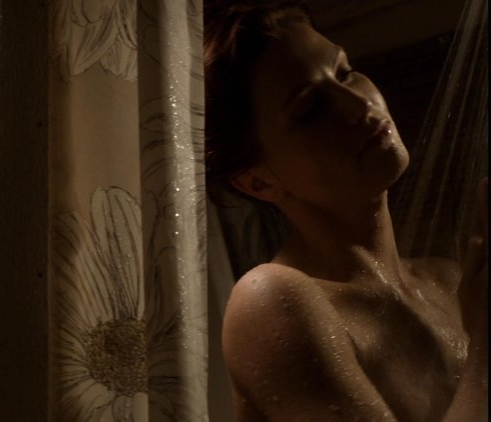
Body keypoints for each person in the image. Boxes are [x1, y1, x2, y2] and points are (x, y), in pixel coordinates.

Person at [204, 2, 488, 420]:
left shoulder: (449, 281)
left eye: (344, 72)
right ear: (257, 181)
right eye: (310, 109)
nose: (358, 105)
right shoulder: (272, 299)